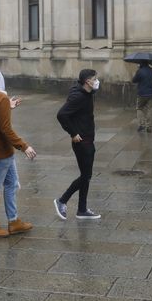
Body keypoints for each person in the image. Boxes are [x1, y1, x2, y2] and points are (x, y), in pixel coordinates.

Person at [0, 66, 36, 237]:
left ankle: (14, 221)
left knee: (11, 184)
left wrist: (6, 106)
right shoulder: (0, 98)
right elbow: (5, 129)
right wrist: (24, 146)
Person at [54, 69, 102, 220]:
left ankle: (82, 209)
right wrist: (73, 133)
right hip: (83, 142)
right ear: (88, 82)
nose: (97, 81)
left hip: (87, 139)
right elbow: (61, 115)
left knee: (86, 176)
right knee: (85, 176)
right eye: (95, 79)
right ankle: (62, 200)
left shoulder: (86, 93)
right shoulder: (79, 97)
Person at [131, 63, 152, 132]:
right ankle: (149, 126)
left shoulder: (140, 71)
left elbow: (134, 80)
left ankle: (141, 125)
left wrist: (137, 71)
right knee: (150, 109)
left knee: (139, 108)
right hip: (151, 93)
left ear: (141, 64)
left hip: (141, 94)